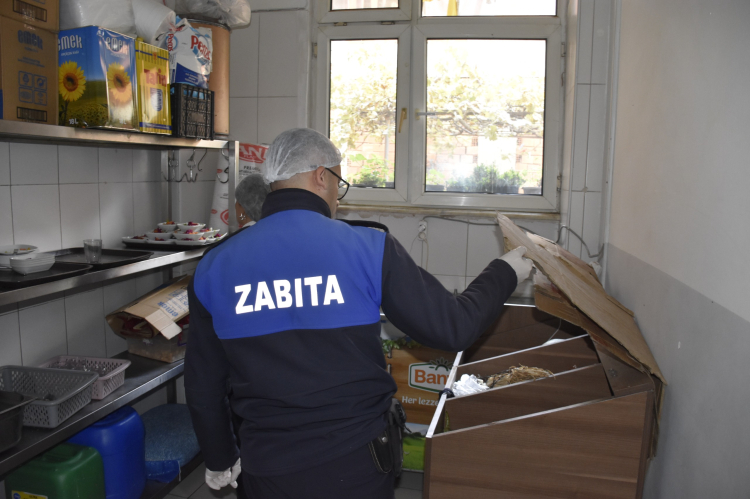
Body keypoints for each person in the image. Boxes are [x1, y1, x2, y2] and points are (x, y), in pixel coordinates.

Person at [184, 128, 532, 498]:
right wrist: (505, 272)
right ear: (322, 176)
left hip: (267, 467)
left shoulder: (214, 266)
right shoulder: (369, 247)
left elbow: (204, 383)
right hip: (356, 463)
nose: (338, 196)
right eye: (340, 183)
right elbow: (454, 327)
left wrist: (220, 457)